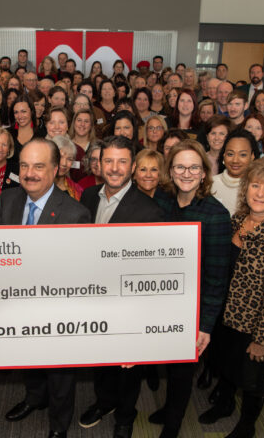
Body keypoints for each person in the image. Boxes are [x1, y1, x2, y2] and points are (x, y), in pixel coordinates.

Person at [198, 157, 264, 438]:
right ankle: (225, 404)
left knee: (252, 381)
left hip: (254, 326)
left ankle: (247, 426)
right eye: (255, 185)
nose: (260, 193)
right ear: (246, 189)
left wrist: (262, 340)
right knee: (226, 368)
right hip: (225, 317)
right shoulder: (236, 222)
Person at [0, 138, 90, 438]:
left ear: (56, 169)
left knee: (60, 374)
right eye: (24, 165)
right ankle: (34, 399)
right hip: (18, 304)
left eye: (39, 166)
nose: (30, 173)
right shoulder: (8, 200)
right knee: (29, 361)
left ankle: (59, 425)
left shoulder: (75, 214)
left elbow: (78, 273)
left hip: (56, 309)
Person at [78, 136, 164, 438]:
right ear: (99, 164)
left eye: (122, 161)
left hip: (129, 304)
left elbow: (152, 272)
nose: (114, 168)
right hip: (94, 298)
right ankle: (105, 402)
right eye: (108, 161)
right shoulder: (88, 196)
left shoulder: (149, 211)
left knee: (129, 368)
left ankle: (126, 415)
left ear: (133, 166)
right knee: (101, 361)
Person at [150, 139, 232, 438]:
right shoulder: (161, 201)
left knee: (182, 371)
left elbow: (216, 278)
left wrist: (205, 326)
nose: (187, 173)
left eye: (194, 167)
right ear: (170, 171)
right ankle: (169, 408)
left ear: (203, 173)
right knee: (167, 365)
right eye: (180, 166)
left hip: (191, 309)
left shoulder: (216, 215)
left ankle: (172, 427)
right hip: (160, 301)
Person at [213, 129, 259, 216]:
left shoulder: (258, 188)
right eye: (230, 154)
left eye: (243, 155)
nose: (235, 160)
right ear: (224, 155)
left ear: (252, 156)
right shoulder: (210, 184)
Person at [52, 135, 84, 200]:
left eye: (69, 159)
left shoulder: (77, 190)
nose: (64, 163)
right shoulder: (37, 184)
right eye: (60, 157)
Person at [68, 108, 96, 182]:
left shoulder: (96, 146)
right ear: (74, 123)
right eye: (79, 120)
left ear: (91, 126)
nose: (82, 124)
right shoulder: (66, 145)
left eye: (86, 121)